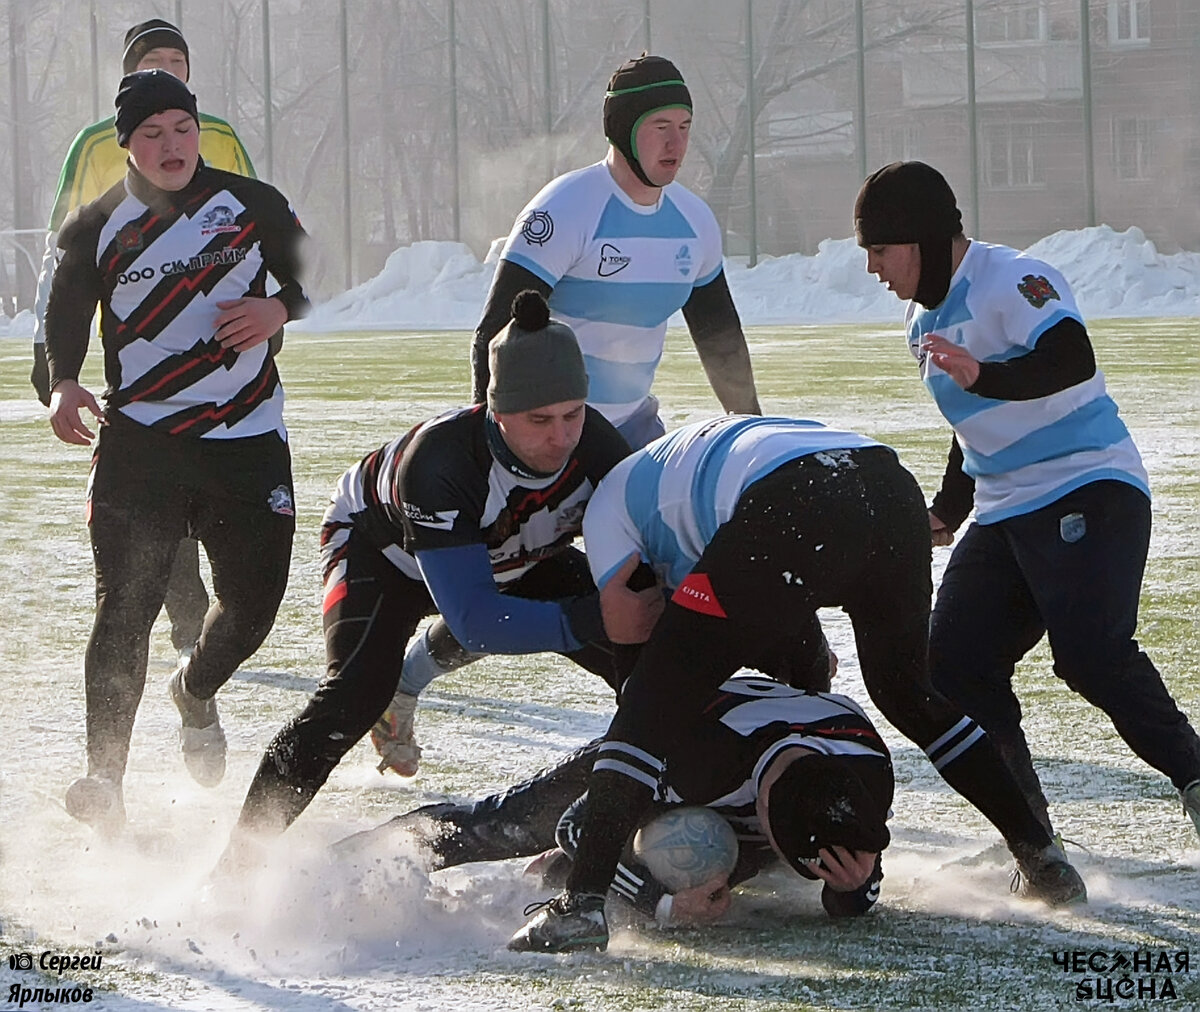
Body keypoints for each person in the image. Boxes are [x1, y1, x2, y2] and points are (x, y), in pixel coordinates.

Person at [508, 414, 1085, 953]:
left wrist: (640, 853)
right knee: (909, 694)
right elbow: (756, 587)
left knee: (646, 713)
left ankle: (579, 907)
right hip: (884, 485)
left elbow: (632, 646)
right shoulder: (660, 485)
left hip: (795, 503)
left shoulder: (610, 511)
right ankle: (1041, 857)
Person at [388, 53, 764, 764]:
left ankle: (681, 739)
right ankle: (408, 681)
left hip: (629, 441)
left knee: (668, 586)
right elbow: (494, 331)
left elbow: (719, 335)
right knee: (522, 585)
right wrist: (497, 456)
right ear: (623, 131)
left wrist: (750, 428)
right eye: (660, 126)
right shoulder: (569, 207)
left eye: (685, 126)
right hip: (548, 442)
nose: (676, 143)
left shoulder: (694, 223)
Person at [853, 160, 1200, 842]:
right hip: (1006, 507)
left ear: (920, 238)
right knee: (950, 662)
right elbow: (969, 428)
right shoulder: (919, 322)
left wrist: (984, 373)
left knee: (1091, 656)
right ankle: (1034, 839)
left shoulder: (1011, 277)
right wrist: (946, 512)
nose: (873, 269)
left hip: (1088, 484)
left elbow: (1072, 358)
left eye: (880, 250)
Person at [220, 290, 636, 858]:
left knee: (647, 667)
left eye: (573, 415)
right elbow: (478, 623)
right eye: (539, 419)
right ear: (496, 411)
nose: (562, 438)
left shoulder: (601, 446)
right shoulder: (440, 463)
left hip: (505, 551)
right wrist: (600, 613)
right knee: (354, 696)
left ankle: (666, 821)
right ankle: (239, 864)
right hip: (381, 551)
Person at [44, 70, 308, 830]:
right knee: (124, 607)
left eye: (182, 129)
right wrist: (64, 383)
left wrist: (275, 308)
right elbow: (67, 311)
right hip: (144, 443)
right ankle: (105, 779)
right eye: (152, 133)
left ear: (198, 132)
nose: (171, 146)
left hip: (246, 437)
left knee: (253, 606)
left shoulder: (252, 204)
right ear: (126, 144)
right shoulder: (96, 226)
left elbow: (303, 280)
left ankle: (194, 690)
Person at [32, 18, 259, 664]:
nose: (167, 70)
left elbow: (258, 232)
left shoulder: (216, 139)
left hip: (221, 356)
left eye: (176, 61)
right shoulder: (94, 146)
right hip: (133, 363)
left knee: (225, 514)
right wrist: (55, 365)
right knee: (156, 514)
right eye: (152, 61)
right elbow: (65, 261)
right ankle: (190, 628)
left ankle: (209, 641)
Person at [342, 673, 893, 929]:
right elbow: (577, 825)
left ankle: (564, 874)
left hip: (731, 772)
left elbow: (853, 874)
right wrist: (663, 904)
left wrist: (851, 891)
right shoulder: (697, 759)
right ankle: (352, 856)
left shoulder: (866, 777)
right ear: (764, 812)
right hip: (650, 744)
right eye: (782, 848)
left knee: (711, 871)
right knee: (502, 827)